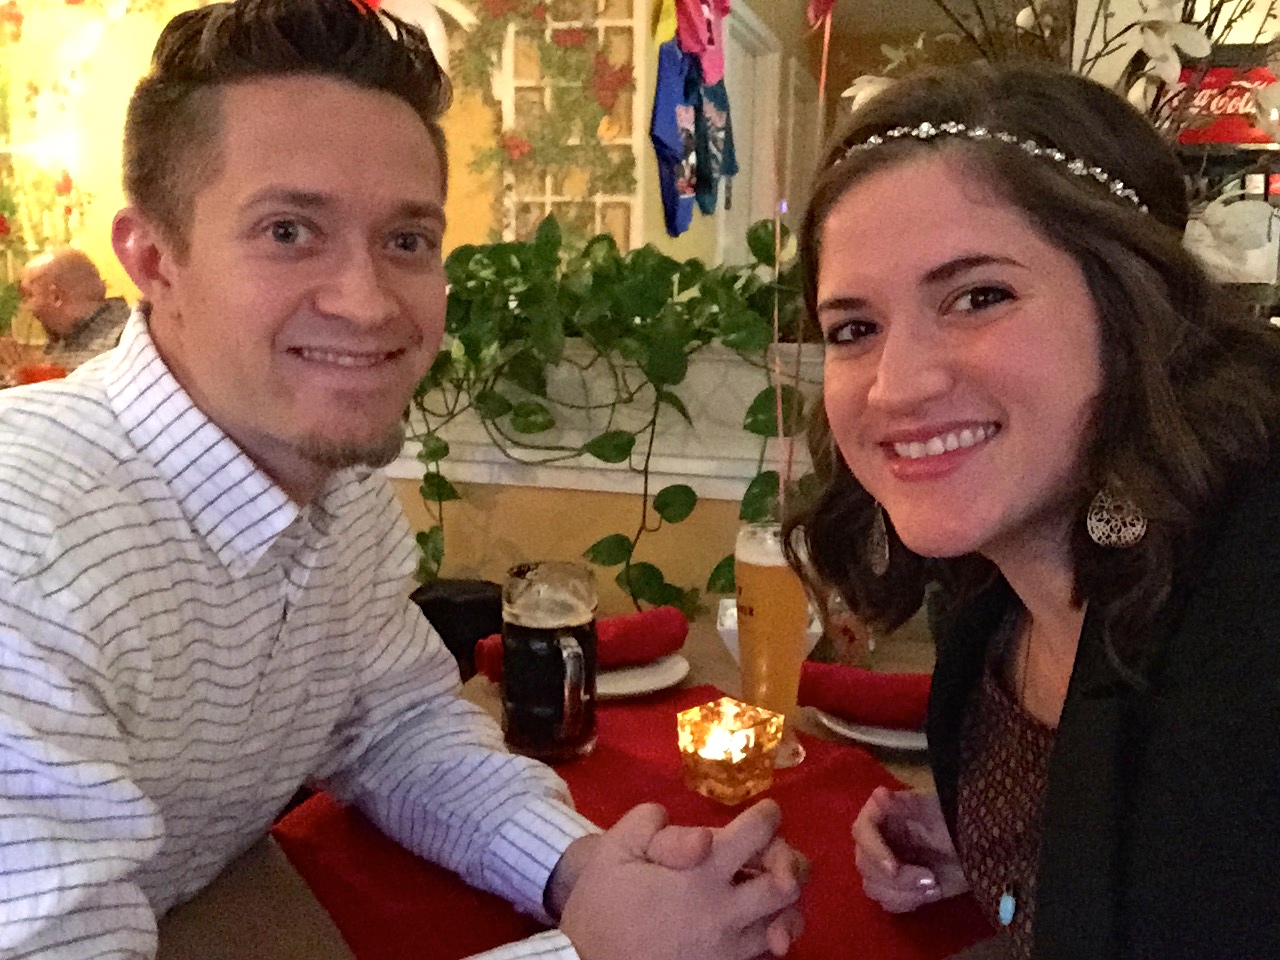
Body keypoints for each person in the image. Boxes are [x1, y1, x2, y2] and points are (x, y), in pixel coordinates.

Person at [0, 1, 806, 958]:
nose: (369, 301)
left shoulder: (335, 492)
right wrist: (598, 953)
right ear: (152, 258)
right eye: (289, 230)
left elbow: (398, 726)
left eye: (408, 240)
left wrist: (585, 870)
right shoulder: (24, 542)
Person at [786, 62, 1280, 960]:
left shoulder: (1248, 608)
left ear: (1133, 304)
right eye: (854, 328)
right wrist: (1026, 846)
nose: (897, 386)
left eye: (979, 297)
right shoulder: (990, 599)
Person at [18, 247, 130, 370]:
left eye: (30, 295)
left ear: (56, 297)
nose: (26, 307)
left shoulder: (126, 338)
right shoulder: (61, 338)